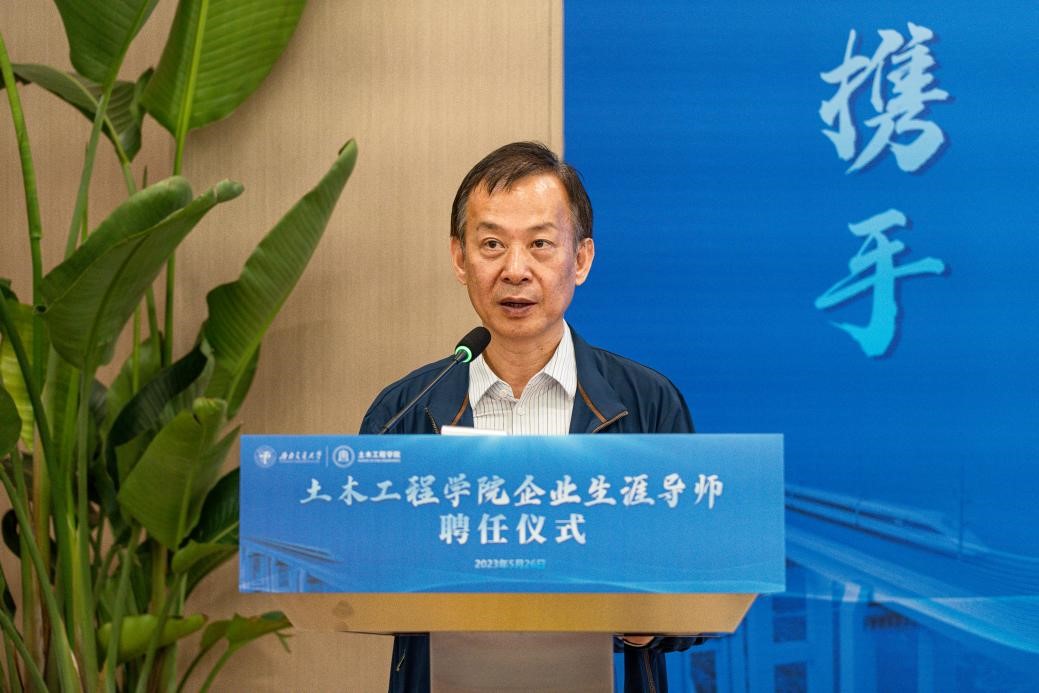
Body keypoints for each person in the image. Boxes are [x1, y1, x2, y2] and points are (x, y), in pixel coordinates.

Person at [360, 141, 700, 693]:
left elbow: (698, 585)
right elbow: (362, 571)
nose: (515, 270)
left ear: (581, 259)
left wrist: (646, 622)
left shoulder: (647, 402)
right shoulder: (404, 411)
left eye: (540, 244)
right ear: (459, 258)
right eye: (492, 244)